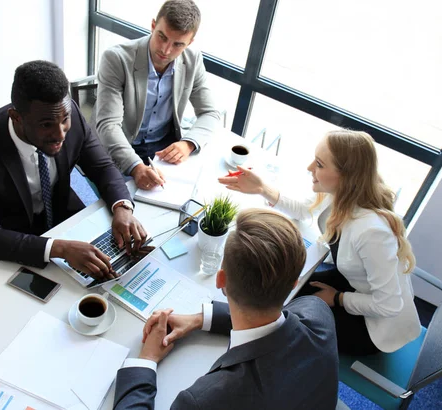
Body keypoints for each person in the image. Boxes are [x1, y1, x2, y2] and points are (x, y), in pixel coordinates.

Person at [218, 130, 422, 355]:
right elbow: (304, 210)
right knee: (277, 288)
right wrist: (261, 188)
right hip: (356, 284)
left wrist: (337, 298)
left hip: (374, 325)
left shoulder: (372, 232)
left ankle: (235, 343)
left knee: (279, 318)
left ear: (345, 176)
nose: (309, 168)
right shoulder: (342, 194)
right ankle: (224, 322)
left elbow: (388, 306)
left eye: (320, 164)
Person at [113, 209, 339, 410]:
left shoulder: (203, 401)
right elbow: (269, 315)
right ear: (294, 284)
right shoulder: (318, 313)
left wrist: (146, 359)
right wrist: (201, 319)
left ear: (220, 280)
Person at [0, 60, 147, 277]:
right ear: (16, 117)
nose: (61, 133)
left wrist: (122, 209)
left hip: (58, 211)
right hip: (2, 232)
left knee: (103, 274)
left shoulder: (68, 114)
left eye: (64, 120)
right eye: (46, 125)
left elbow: (102, 167)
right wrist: (59, 248)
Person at [95, 0, 220, 191]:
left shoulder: (193, 59)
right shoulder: (116, 59)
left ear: (190, 42)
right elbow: (108, 125)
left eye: (178, 44)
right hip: (122, 143)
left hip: (164, 144)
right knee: (124, 206)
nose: (166, 50)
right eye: (162, 37)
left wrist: (188, 143)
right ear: (153, 25)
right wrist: (136, 167)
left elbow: (210, 112)